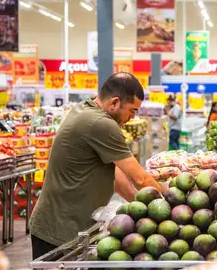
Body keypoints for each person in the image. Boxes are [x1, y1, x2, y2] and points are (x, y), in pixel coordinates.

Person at [29, 73, 162, 259]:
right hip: (59, 231)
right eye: (132, 111)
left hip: (62, 225)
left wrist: (136, 203)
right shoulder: (101, 124)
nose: (132, 118)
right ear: (114, 103)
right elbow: (140, 178)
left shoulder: (86, 109)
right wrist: (167, 206)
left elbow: (114, 171)